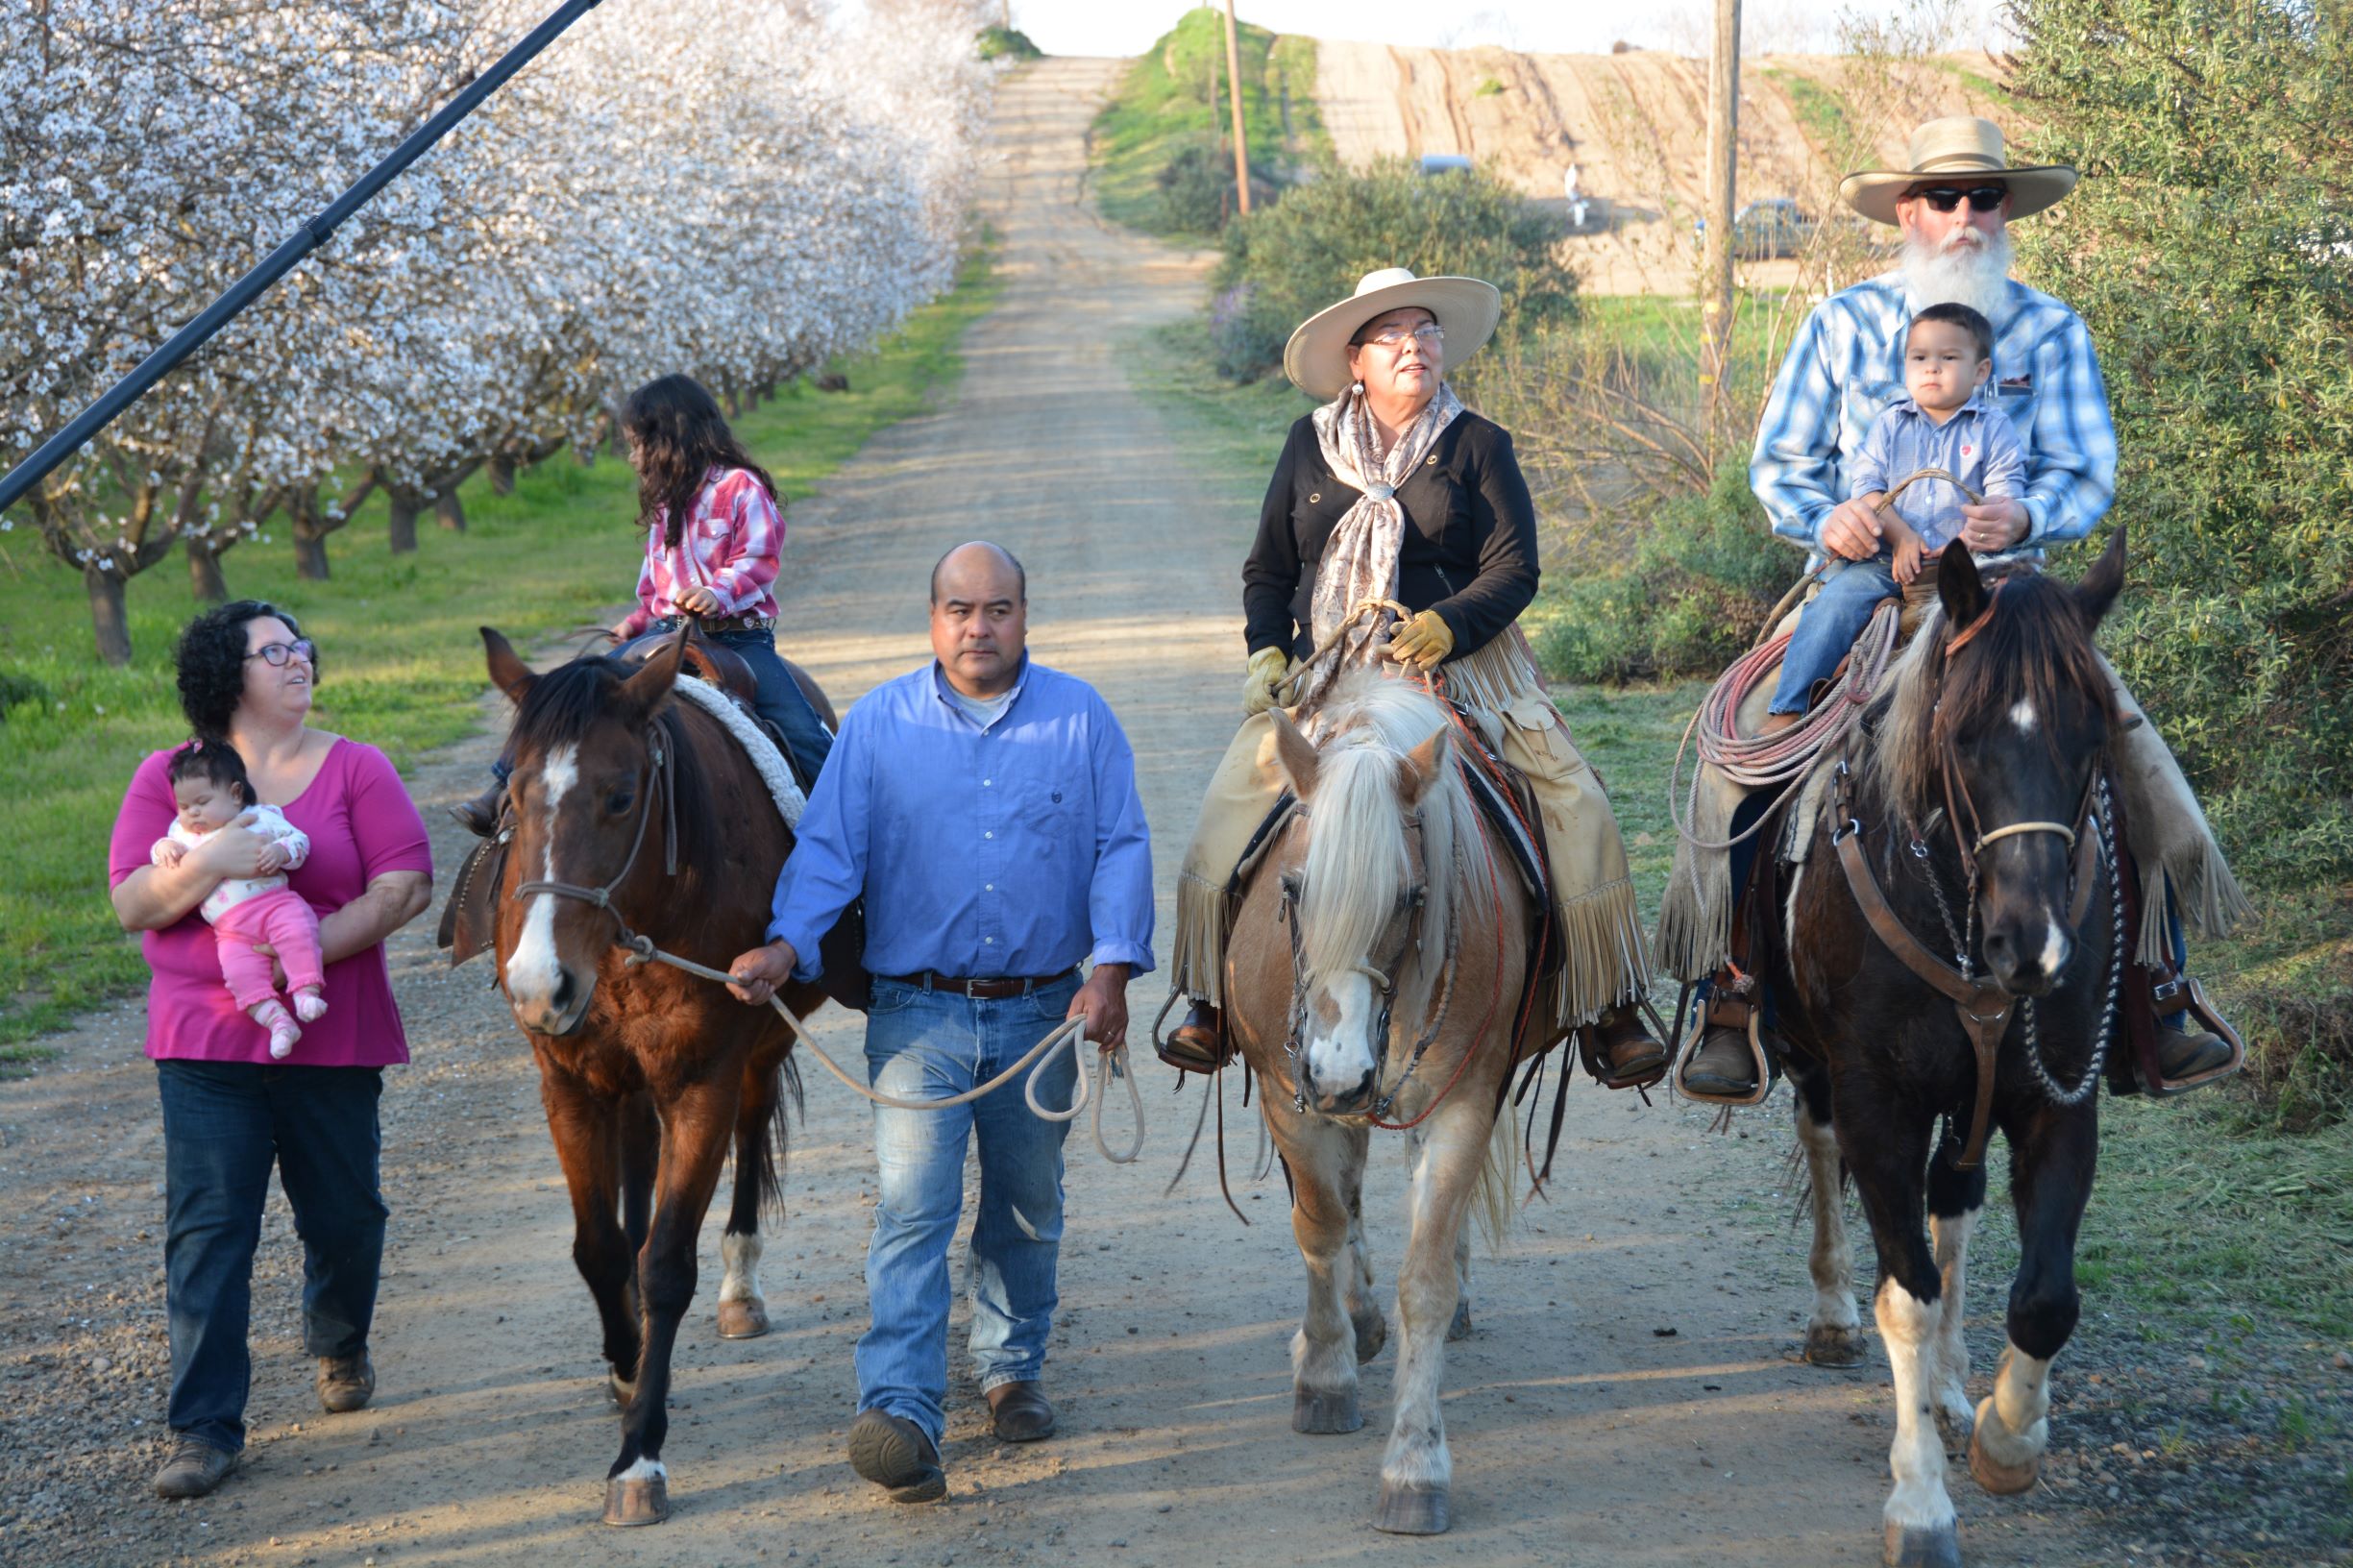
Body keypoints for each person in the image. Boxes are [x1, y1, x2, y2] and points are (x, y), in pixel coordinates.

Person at [1665, 115, 2248, 1100]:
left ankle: (2157, 991)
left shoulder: (2053, 329)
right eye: (1946, 196)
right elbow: (1779, 468)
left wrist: (2029, 507)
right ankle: (1732, 995)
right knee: (1746, 763)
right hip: (1864, 597)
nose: (1968, 215)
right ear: (1906, 210)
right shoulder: (1839, 324)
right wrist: (1836, 518)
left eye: (1987, 197)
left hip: (2011, 601)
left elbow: (2085, 472)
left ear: (2007, 211)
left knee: (2132, 757)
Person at [723, 542, 1153, 1504]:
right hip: (915, 1012)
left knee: (1024, 1205)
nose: (979, 627)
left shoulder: (1080, 719)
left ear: (1024, 616)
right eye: (960, 609)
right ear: (932, 619)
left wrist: (1113, 969)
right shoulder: (876, 727)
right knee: (912, 1209)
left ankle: (1009, 1371)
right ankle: (903, 1409)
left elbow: (1119, 844)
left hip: (1044, 1010)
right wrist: (788, 948)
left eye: (998, 609)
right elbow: (830, 853)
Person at [1160, 266, 1662, 1086]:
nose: (1414, 346)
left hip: (1459, 668)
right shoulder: (1306, 442)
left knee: (1575, 798)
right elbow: (1268, 568)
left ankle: (1609, 1007)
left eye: (1425, 331)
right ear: (1354, 360)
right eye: (1392, 335)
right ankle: (1212, 1003)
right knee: (1230, 801)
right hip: (1329, 669)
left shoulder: (1478, 443)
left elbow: (1514, 568)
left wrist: (1447, 624)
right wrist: (1266, 650)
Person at [108, 601, 434, 1499]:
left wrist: (291, 956)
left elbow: (405, 885)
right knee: (210, 1231)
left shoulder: (356, 766)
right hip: (205, 1043)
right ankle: (203, 1429)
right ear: (228, 674)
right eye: (276, 651)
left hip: (332, 1030)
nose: (300, 661)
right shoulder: (169, 778)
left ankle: (339, 1340)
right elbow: (136, 904)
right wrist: (215, 863)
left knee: (346, 1216)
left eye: (304, 648)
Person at [451, 372, 833, 833]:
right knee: (566, 696)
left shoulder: (740, 487)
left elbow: (758, 556)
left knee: (801, 728)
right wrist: (636, 622)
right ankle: (498, 786)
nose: (633, 458)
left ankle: (837, 822)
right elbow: (656, 583)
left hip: (736, 640)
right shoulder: (667, 505)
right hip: (664, 633)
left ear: (672, 437)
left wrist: (717, 593)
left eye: (637, 445)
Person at [1761, 301, 2024, 734]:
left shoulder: (1993, 429)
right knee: (1837, 602)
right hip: (1887, 560)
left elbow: (2002, 495)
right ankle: (1788, 709)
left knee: (2022, 619)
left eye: (1949, 358)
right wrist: (1902, 538)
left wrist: (1972, 537)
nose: (1932, 368)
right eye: (1919, 358)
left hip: (1968, 566)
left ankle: (2028, 718)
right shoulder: (1890, 424)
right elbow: (1867, 490)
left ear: (1980, 372)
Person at [151, 740, 328, 1059]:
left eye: (202, 802)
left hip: (275, 905)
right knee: (238, 975)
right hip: (230, 929)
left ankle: (306, 991)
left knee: (298, 934)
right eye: (184, 805)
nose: (192, 813)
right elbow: (161, 850)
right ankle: (278, 1022)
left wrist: (281, 851)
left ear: (234, 794)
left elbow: (299, 840)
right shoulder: (183, 833)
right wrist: (163, 848)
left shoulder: (261, 818)